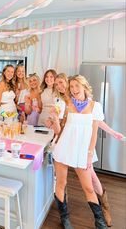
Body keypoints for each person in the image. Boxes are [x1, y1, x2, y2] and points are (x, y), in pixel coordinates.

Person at [52, 72, 124, 226]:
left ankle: (101, 221)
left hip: (82, 151)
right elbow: (59, 127)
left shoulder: (94, 105)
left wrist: (91, 152)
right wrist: (52, 119)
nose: (73, 89)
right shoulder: (65, 103)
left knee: (89, 187)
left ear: (84, 86)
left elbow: (95, 128)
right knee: (61, 184)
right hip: (64, 148)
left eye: (77, 85)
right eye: (71, 86)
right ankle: (64, 219)